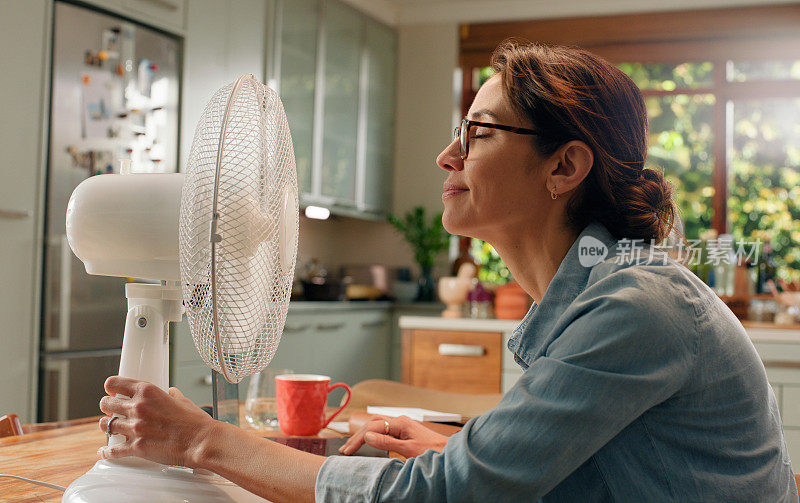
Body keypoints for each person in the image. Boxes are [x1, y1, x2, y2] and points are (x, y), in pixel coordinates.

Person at [97, 42, 797, 502]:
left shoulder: (636, 307)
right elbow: (602, 460)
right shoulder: (601, 292)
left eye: (479, 132)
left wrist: (203, 439)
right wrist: (467, 445)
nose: (446, 155)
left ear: (565, 166)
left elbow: (445, 496)